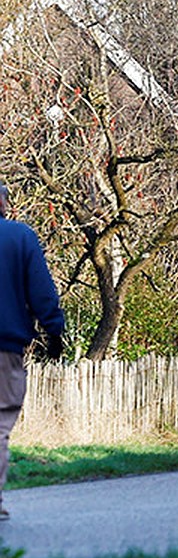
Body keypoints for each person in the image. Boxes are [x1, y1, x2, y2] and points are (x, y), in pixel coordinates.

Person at [0, 181, 64, 520]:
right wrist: (54, 331)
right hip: (4, 347)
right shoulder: (20, 237)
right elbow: (41, 291)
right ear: (1, 201)